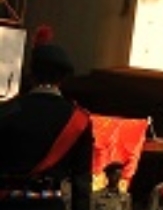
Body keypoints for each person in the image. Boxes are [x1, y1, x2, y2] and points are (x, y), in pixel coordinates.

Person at [0, 28, 95, 210]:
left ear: (31, 74)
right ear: (63, 78)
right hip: (50, 204)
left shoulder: (6, 111)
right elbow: (81, 182)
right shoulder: (79, 120)